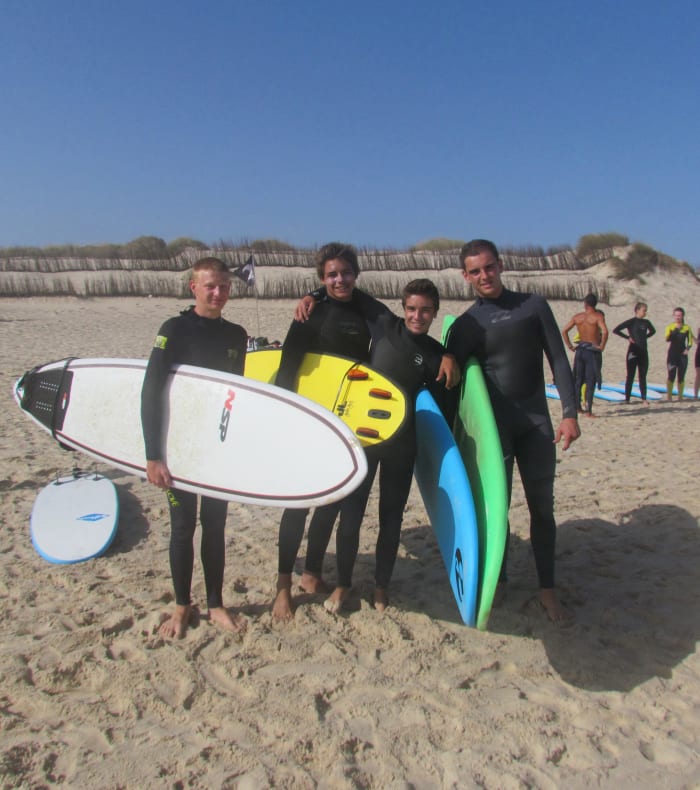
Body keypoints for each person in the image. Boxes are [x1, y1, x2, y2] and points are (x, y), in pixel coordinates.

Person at [272, 245, 458, 620]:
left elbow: (424, 362)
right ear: (322, 278)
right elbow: (289, 366)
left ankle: (314, 575)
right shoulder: (313, 312)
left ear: (356, 274)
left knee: (337, 502)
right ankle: (284, 587)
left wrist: (450, 355)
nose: (339, 280)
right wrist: (287, 417)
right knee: (300, 504)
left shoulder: (369, 312)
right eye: (331, 275)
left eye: (345, 273)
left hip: (353, 425)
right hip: (315, 419)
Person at [445, 239, 580, 623]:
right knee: (496, 509)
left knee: (542, 508)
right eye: (475, 271)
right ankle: (497, 580)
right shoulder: (468, 324)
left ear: (500, 265)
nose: (484, 276)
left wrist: (569, 413)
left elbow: (557, 357)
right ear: (465, 276)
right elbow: (452, 380)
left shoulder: (533, 306)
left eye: (489, 267)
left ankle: (547, 589)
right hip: (496, 432)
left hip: (536, 423)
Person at [141, 257, 248, 639]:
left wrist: (233, 449)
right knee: (183, 526)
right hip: (179, 447)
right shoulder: (174, 330)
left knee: (215, 526)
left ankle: (217, 603)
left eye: (223, 286)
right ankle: (183, 605)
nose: (217, 293)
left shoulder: (237, 335)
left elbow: (236, 397)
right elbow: (151, 391)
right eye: (210, 286)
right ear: (194, 288)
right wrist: (154, 455)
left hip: (214, 449)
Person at [561, 293, 608, 417]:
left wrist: (570, 346)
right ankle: (588, 411)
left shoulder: (578, 317)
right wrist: (602, 346)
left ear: (585, 304)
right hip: (592, 351)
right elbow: (605, 331)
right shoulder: (598, 316)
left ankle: (577, 407)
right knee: (590, 380)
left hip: (580, 350)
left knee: (578, 380)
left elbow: (564, 331)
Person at [612, 302, 656, 404]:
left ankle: (644, 398)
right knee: (630, 375)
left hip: (643, 352)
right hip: (633, 351)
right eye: (643, 310)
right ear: (637, 310)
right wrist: (628, 337)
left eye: (646, 310)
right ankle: (627, 399)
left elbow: (653, 331)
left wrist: (645, 337)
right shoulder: (632, 322)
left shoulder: (646, 322)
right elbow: (616, 330)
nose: (645, 312)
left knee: (643, 376)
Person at [664, 307, 694, 400]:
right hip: (672, 354)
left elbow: (690, 341)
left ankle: (680, 397)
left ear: (682, 316)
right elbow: (667, 339)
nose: (677, 317)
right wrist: (676, 330)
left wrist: (687, 349)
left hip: (682, 355)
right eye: (676, 315)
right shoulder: (670, 327)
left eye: (679, 315)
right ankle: (669, 396)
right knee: (671, 375)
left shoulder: (687, 327)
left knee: (681, 376)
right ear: (673, 316)